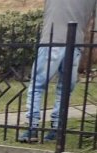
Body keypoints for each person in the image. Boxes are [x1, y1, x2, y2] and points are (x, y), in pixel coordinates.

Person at [18, 0, 97, 142]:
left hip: (52, 39)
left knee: (37, 85)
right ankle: (56, 128)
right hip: (75, 43)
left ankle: (32, 128)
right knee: (64, 89)